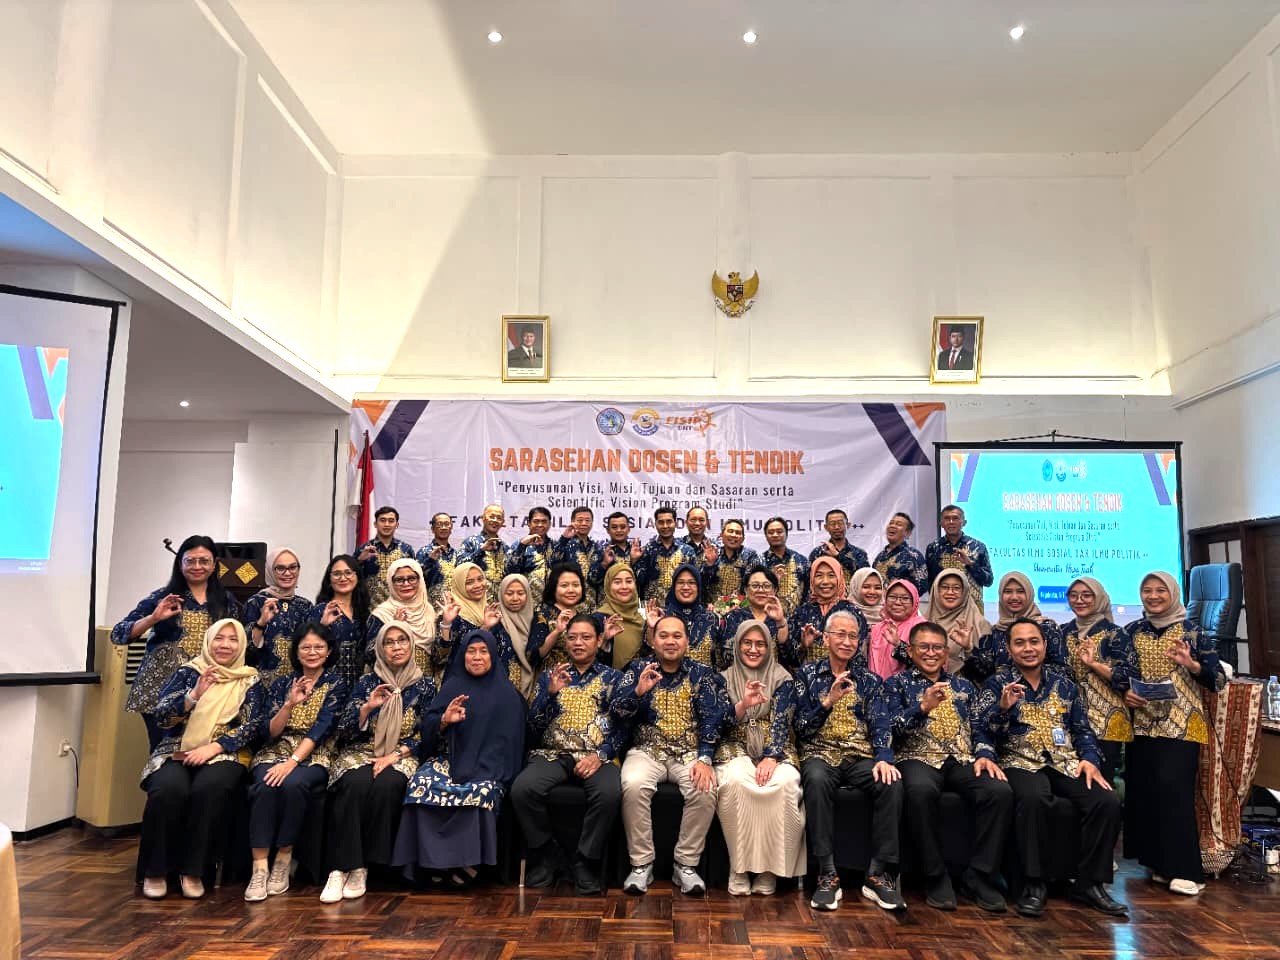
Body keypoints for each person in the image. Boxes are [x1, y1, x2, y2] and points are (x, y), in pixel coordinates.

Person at [976, 618, 1126, 918]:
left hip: (1064, 761)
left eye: (1034, 641)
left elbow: (1082, 729)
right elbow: (982, 730)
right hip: (1018, 760)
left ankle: (1089, 883)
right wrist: (1002, 709)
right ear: (1009, 649)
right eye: (1020, 643)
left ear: (1044, 645)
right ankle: (1034, 884)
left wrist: (1089, 759)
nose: (1028, 648)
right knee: (1033, 798)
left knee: (1107, 801)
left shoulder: (1065, 685)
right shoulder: (996, 684)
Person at [883, 622, 1010, 912]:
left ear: (946, 652)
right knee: (919, 791)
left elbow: (980, 727)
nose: (931, 653)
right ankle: (935, 875)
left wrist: (985, 754)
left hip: (962, 758)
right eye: (924, 647)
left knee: (998, 791)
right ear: (910, 651)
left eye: (937, 648)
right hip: (917, 757)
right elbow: (889, 729)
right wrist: (921, 708)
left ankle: (978, 875)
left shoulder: (964, 686)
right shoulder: (895, 684)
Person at [136, 618, 267, 899]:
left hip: (224, 751)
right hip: (176, 749)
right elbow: (162, 717)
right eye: (219, 638)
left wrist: (216, 746)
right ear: (208, 641)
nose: (225, 645)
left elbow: (254, 724)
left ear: (242, 645)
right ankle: (156, 870)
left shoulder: (249, 679)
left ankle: (194, 871)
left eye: (233, 639)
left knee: (210, 788)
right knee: (167, 789)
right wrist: (194, 694)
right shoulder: (188, 672)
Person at [1118, 571, 1226, 897]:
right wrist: (1125, 691)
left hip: (1181, 725)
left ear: (1173, 593)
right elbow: (1122, 671)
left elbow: (1218, 679)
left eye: (1160, 590)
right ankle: (1159, 864)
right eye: (1147, 590)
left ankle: (1187, 870)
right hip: (1143, 724)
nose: (1153, 596)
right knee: (1147, 793)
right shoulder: (1132, 630)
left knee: (1174, 792)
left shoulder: (1193, 632)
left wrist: (1192, 665)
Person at [393, 630, 526, 886]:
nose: (476, 657)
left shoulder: (508, 695)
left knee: (479, 791)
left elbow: (510, 745)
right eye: (471, 651)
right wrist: (444, 720)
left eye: (483, 651)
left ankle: (466, 863)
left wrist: (481, 768)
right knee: (420, 786)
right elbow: (428, 728)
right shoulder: (452, 686)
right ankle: (431, 863)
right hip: (450, 758)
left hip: (489, 766)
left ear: (493, 656)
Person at [794, 610, 904, 912]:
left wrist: (884, 758)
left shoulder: (869, 680)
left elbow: (880, 722)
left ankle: (877, 873)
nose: (846, 641)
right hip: (819, 752)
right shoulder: (806, 675)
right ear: (826, 639)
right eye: (840, 634)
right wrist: (827, 702)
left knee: (891, 782)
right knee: (816, 780)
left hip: (859, 755)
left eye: (852, 636)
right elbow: (801, 728)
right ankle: (827, 872)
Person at [320, 622, 437, 903]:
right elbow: (345, 728)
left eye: (402, 641)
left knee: (388, 784)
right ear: (380, 648)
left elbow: (429, 733)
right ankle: (342, 867)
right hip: (364, 749)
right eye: (389, 642)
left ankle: (366, 867)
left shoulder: (426, 685)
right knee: (355, 783)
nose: (396, 647)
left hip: (402, 753)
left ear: (411, 645)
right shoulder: (366, 682)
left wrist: (395, 756)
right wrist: (367, 707)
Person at [512, 615, 626, 895]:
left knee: (610, 793)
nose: (578, 643)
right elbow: (532, 727)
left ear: (599, 641)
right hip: (553, 753)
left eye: (586, 637)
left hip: (597, 756)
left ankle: (584, 860)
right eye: (572, 637)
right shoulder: (550, 676)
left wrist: (601, 755)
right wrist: (550, 695)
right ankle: (547, 852)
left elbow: (624, 728)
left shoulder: (614, 679)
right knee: (522, 790)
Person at [612, 615, 724, 897]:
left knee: (705, 788)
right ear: (653, 640)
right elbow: (616, 713)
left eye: (677, 636)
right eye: (663, 635)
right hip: (646, 750)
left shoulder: (701, 673)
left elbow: (712, 718)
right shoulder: (637, 668)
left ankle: (685, 864)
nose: (670, 641)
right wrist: (637, 692)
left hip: (688, 752)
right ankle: (641, 865)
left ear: (687, 641)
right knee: (633, 784)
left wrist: (705, 758)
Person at [245, 623, 347, 902]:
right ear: (296, 651)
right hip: (276, 750)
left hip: (316, 753)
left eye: (319, 647)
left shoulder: (336, 684)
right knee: (264, 785)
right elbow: (269, 731)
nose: (312, 652)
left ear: (328, 651)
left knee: (293, 785)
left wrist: (292, 762)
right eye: (306, 647)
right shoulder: (282, 683)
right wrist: (289, 704)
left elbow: (322, 729)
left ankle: (283, 858)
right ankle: (259, 868)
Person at [112, 534, 240, 749]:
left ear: (214, 564)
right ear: (180, 563)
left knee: (198, 753)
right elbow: (118, 634)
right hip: (159, 689)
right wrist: (153, 618)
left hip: (207, 689)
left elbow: (240, 641)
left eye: (204, 561)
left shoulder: (226, 600)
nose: (197, 566)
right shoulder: (162, 597)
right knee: (162, 753)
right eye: (190, 561)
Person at [715, 621, 806, 895]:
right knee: (735, 782)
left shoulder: (782, 678)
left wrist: (772, 756)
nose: (753, 649)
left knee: (783, 784)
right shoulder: (722, 679)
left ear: (769, 647)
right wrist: (743, 705)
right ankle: (739, 867)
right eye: (747, 643)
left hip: (775, 746)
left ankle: (769, 869)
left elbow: (782, 720)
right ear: (737, 645)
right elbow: (717, 724)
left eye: (761, 644)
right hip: (734, 743)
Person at [1060, 578, 1130, 784]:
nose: (1079, 600)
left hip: (1106, 721)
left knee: (1101, 783)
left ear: (1098, 598)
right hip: (1070, 718)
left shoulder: (1116, 633)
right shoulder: (1062, 632)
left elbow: (1127, 677)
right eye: (1073, 595)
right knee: (1073, 783)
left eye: (1086, 595)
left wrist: (1094, 664)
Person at [969, 572, 1066, 682]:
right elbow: (983, 676)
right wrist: (968, 649)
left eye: (1020, 591)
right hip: (1001, 692)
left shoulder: (1047, 628)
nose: (1014, 597)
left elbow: (1063, 671)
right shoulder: (994, 633)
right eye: (1008, 591)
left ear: (1029, 594)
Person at [244, 547, 314, 687]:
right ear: (270, 570)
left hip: (297, 684)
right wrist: (261, 622)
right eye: (280, 568)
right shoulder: (257, 602)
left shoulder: (305, 605)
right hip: (262, 684)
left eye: (292, 567)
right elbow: (246, 649)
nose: (287, 573)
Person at [366, 558, 441, 679]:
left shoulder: (429, 611)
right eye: (399, 580)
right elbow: (370, 656)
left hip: (426, 683)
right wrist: (394, 626)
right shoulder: (381, 614)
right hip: (392, 682)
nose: (406, 584)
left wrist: (446, 625)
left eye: (412, 578)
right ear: (391, 583)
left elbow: (438, 657)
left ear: (420, 580)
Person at [787, 556, 864, 667]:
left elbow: (859, 658)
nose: (825, 581)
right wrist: (803, 646)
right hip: (808, 677)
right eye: (819, 575)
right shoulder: (801, 613)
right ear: (812, 579)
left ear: (839, 578)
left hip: (845, 676)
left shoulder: (852, 612)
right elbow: (790, 661)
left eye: (831, 575)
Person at [309, 554, 370, 694]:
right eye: (337, 574)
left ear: (357, 577)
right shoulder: (320, 610)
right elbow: (307, 647)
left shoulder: (365, 611)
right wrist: (323, 625)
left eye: (348, 573)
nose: (343, 578)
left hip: (359, 687)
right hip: (328, 687)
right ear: (329, 579)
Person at [438, 563, 501, 677]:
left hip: (490, 680)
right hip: (460, 681)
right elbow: (439, 658)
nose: (478, 585)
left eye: (480, 579)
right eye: (469, 582)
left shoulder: (489, 611)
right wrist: (446, 624)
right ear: (460, 586)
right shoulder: (452, 614)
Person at [923, 569, 989, 677]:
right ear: (936, 590)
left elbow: (987, 670)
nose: (950, 592)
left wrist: (968, 649)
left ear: (965, 591)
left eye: (956, 588)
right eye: (944, 587)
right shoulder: (924, 623)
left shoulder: (979, 624)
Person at [720, 566, 790, 667]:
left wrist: (780, 622)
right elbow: (723, 656)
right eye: (755, 585)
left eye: (766, 586)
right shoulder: (732, 617)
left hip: (772, 675)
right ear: (746, 590)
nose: (760, 590)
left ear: (774, 590)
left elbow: (789, 658)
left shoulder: (782, 617)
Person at [925, 505, 993, 605]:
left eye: (955, 518)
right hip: (942, 606)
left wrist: (970, 564)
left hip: (972, 606)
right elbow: (929, 582)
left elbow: (988, 581)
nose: (951, 522)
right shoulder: (933, 548)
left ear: (964, 522)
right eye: (947, 518)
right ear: (941, 523)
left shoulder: (978, 546)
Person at [529, 564, 591, 673]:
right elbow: (533, 657)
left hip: (583, 678)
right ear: (554, 588)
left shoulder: (584, 617)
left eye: (576, 585)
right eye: (564, 585)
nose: (571, 590)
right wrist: (556, 632)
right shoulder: (542, 616)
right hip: (552, 678)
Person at [661, 563, 722, 668]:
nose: (686, 587)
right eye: (680, 582)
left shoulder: (712, 619)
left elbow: (720, 661)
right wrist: (650, 630)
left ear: (698, 587)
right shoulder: (661, 617)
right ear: (673, 587)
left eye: (692, 582)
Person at [635, 506, 697, 603]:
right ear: (655, 524)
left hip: (679, 606)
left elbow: (695, 582)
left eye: (669, 522)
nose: (665, 526)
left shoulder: (687, 551)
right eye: (661, 522)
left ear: (675, 523)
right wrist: (634, 561)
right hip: (652, 607)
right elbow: (639, 581)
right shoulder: (647, 550)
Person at [867, 580, 925, 680]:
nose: (898, 602)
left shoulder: (922, 628)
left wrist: (898, 644)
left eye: (905, 598)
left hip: (905, 687)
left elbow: (925, 662)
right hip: (874, 687)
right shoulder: (877, 628)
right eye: (892, 597)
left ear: (914, 602)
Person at [357, 506, 415, 607]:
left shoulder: (406, 550)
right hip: (369, 608)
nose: (387, 524)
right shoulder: (364, 549)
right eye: (382, 520)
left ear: (397, 525)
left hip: (400, 607)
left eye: (391, 521)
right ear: (375, 524)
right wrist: (359, 560)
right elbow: (352, 576)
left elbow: (414, 579)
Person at [492, 573, 539, 697]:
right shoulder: (494, 620)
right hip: (501, 690)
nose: (515, 598)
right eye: (509, 593)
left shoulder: (538, 620)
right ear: (501, 595)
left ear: (528, 594)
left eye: (521, 593)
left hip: (534, 688)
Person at [595, 564, 647, 669]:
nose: (624, 587)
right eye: (617, 582)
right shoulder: (599, 619)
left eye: (629, 581)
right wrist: (604, 642)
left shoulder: (642, 619)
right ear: (608, 586)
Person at [552, 506, 603, 605]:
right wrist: (564, 539)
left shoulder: (597, 548)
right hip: (570, 601)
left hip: (593, 603)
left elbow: (598, 578)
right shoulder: (564, 544)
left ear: (592, 523)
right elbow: (553, 565)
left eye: (587, 520)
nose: (584, 523)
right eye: (580, 520)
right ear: (572, 522)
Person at [459, 503, 510, 600]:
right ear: (483, 518)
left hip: (499, 603)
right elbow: (459, 567)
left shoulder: (504, 547)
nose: (495, 520)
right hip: (475, 601)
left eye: (499, 518)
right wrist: (481, 550)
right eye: (492, 516)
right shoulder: (470, 542)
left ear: (503, 522)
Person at [872, 513, 930, 598]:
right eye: (891, 523)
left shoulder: (914, 556)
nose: (892, 526)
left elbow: (922, 586)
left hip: (900, 603)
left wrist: (900, 596)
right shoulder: (880, 556)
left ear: (907, 533)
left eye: (898, 524)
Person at [760, 517, 809, 615]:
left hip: (797, 619)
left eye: (779, 531)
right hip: (766, 617)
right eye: (771, 532)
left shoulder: (801, 560)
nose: (775, 535)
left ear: (786, 533)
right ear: (766, 536)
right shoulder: (759, 562)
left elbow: (808, 592)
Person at [701, 518, 758, 602]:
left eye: (738, 533)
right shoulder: (713, 553)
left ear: (743, 538)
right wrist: (710, 564)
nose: (734, 535)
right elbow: (701, 583)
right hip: (711, 606)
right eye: (730, 531)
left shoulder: (749, 555)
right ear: (721, 535)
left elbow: (753, 584)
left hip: (740, 606)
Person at [507, 506, 555, 601]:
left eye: (544, 521)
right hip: (526, 601)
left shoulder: (555, 546)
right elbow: (510, 572)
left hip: (551, 603)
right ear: (529, 523)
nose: (540, 525)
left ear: (549, 524)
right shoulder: (518, 545)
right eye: (536, 521)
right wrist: (522, 546)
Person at [588, 511, 644, 593]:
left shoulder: (637, 551)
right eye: (614, 527)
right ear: (608, 530)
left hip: (631, 599)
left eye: (623, 527)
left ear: (628, 529)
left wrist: (634, 561)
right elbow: (592, 581)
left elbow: (643, 582)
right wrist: (604, 564)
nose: (619, 530)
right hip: (608, 600)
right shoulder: (600, 551)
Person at [809, 508, 870, 579]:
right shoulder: (818, 553)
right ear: (826, 527)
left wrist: (838, 555)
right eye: (832, 524)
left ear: (848, 525)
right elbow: (811, 579)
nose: (837, 527)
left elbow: (865, 576)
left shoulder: (859, 553)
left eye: (840, 523)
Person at [415, 512, 460, 608]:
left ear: (451, 529)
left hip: (455, 605)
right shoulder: (424, 552)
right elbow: (416, 577)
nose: (443, 527)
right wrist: (430, 560)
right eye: (440, 524)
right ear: (433, 529)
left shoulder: (456, 554)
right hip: (432, 606)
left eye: (447, 524)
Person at [846, 567, 885, 646]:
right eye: (866, 587)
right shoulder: (845, 615)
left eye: (877, 588)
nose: (872, 592)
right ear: (855, 587)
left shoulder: (888, 616)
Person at [678, 506, 719, 571]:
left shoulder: (714, 547)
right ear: (686, 523)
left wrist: (710, 564)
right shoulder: (678, 545)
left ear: (707, 523)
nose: (697, 523)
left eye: (701, 520)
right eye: (693, 520)